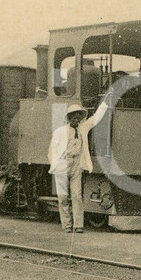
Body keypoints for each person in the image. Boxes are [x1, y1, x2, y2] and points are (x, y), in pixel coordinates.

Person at [48, 100, 109, 233]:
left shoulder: (83, 128)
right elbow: (52, 150)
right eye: (73, 117)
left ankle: (78, 225)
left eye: (78, 117)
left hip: (76, 164)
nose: (76, 120)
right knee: (63, 197)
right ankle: (67, 225)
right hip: (62, 164)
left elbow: (96, 118)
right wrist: (55, 165)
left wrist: (105, 103)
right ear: (69, 118)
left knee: (77, 195)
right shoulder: (60, 132)